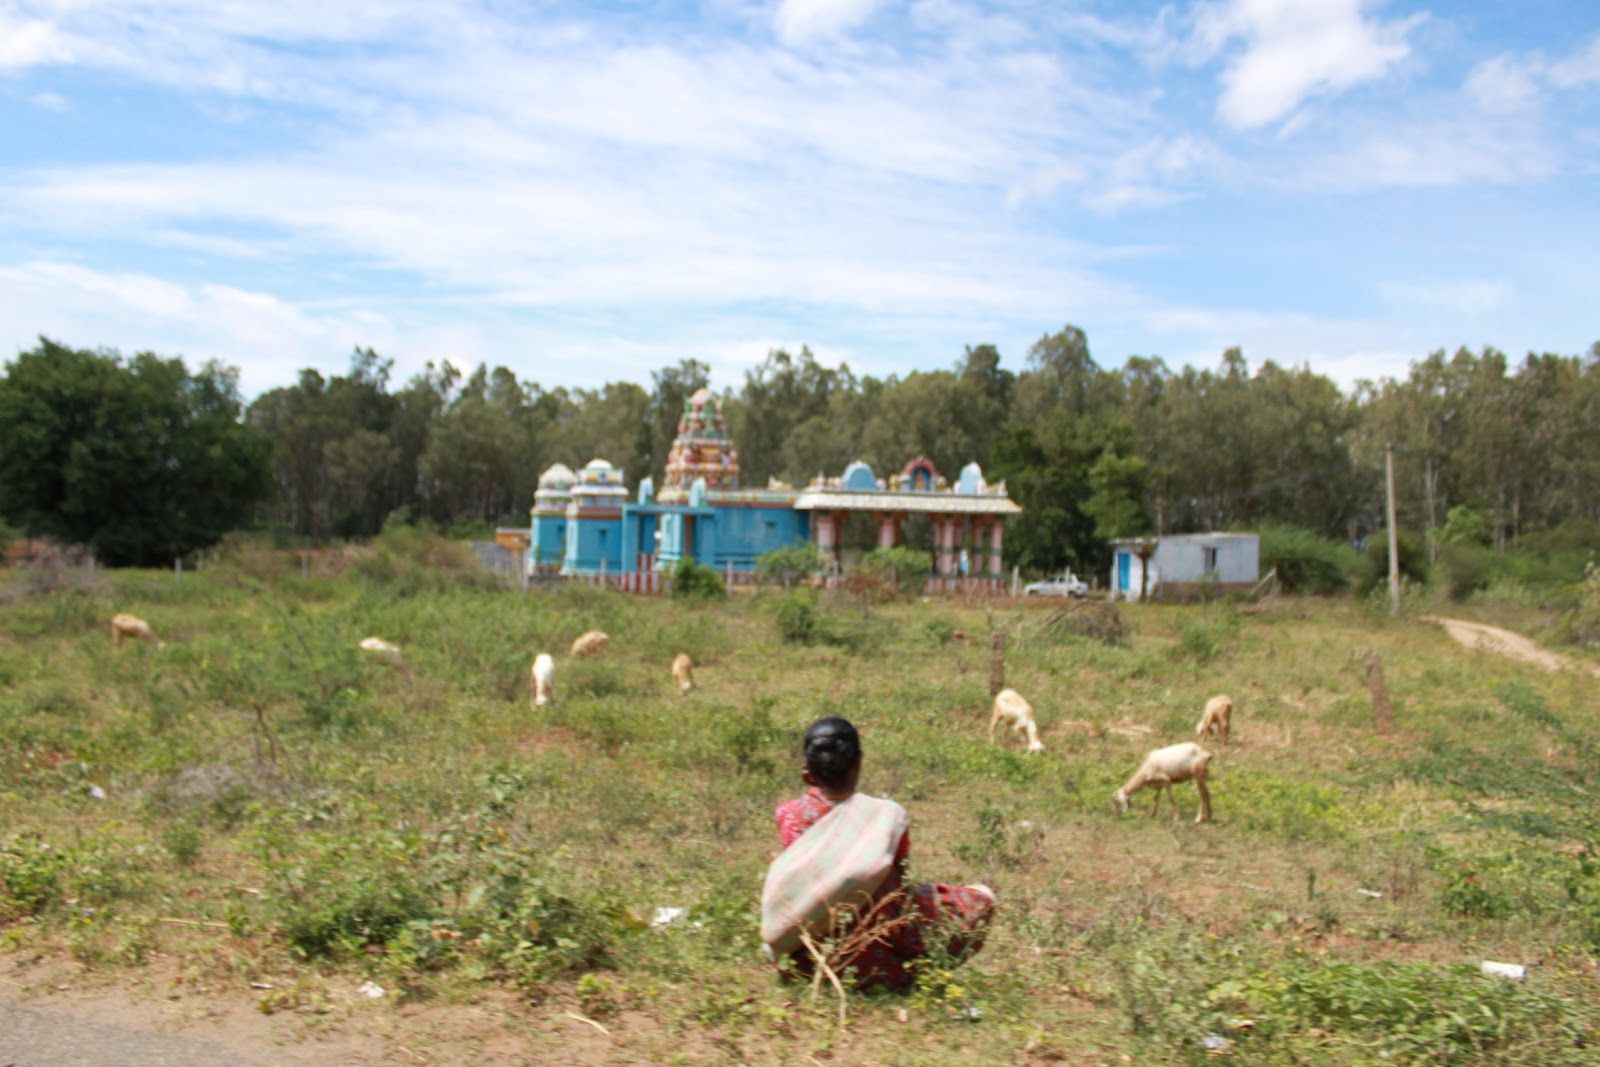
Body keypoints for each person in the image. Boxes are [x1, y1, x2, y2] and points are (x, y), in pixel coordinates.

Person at [761, 716, 994, 990]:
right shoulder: (885, 816)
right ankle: (916, 970)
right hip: (878, 957)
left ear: (806, 772)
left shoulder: (787, 815)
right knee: (979, 900)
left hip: (808, 959)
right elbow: (898, 880)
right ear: (858, 762)